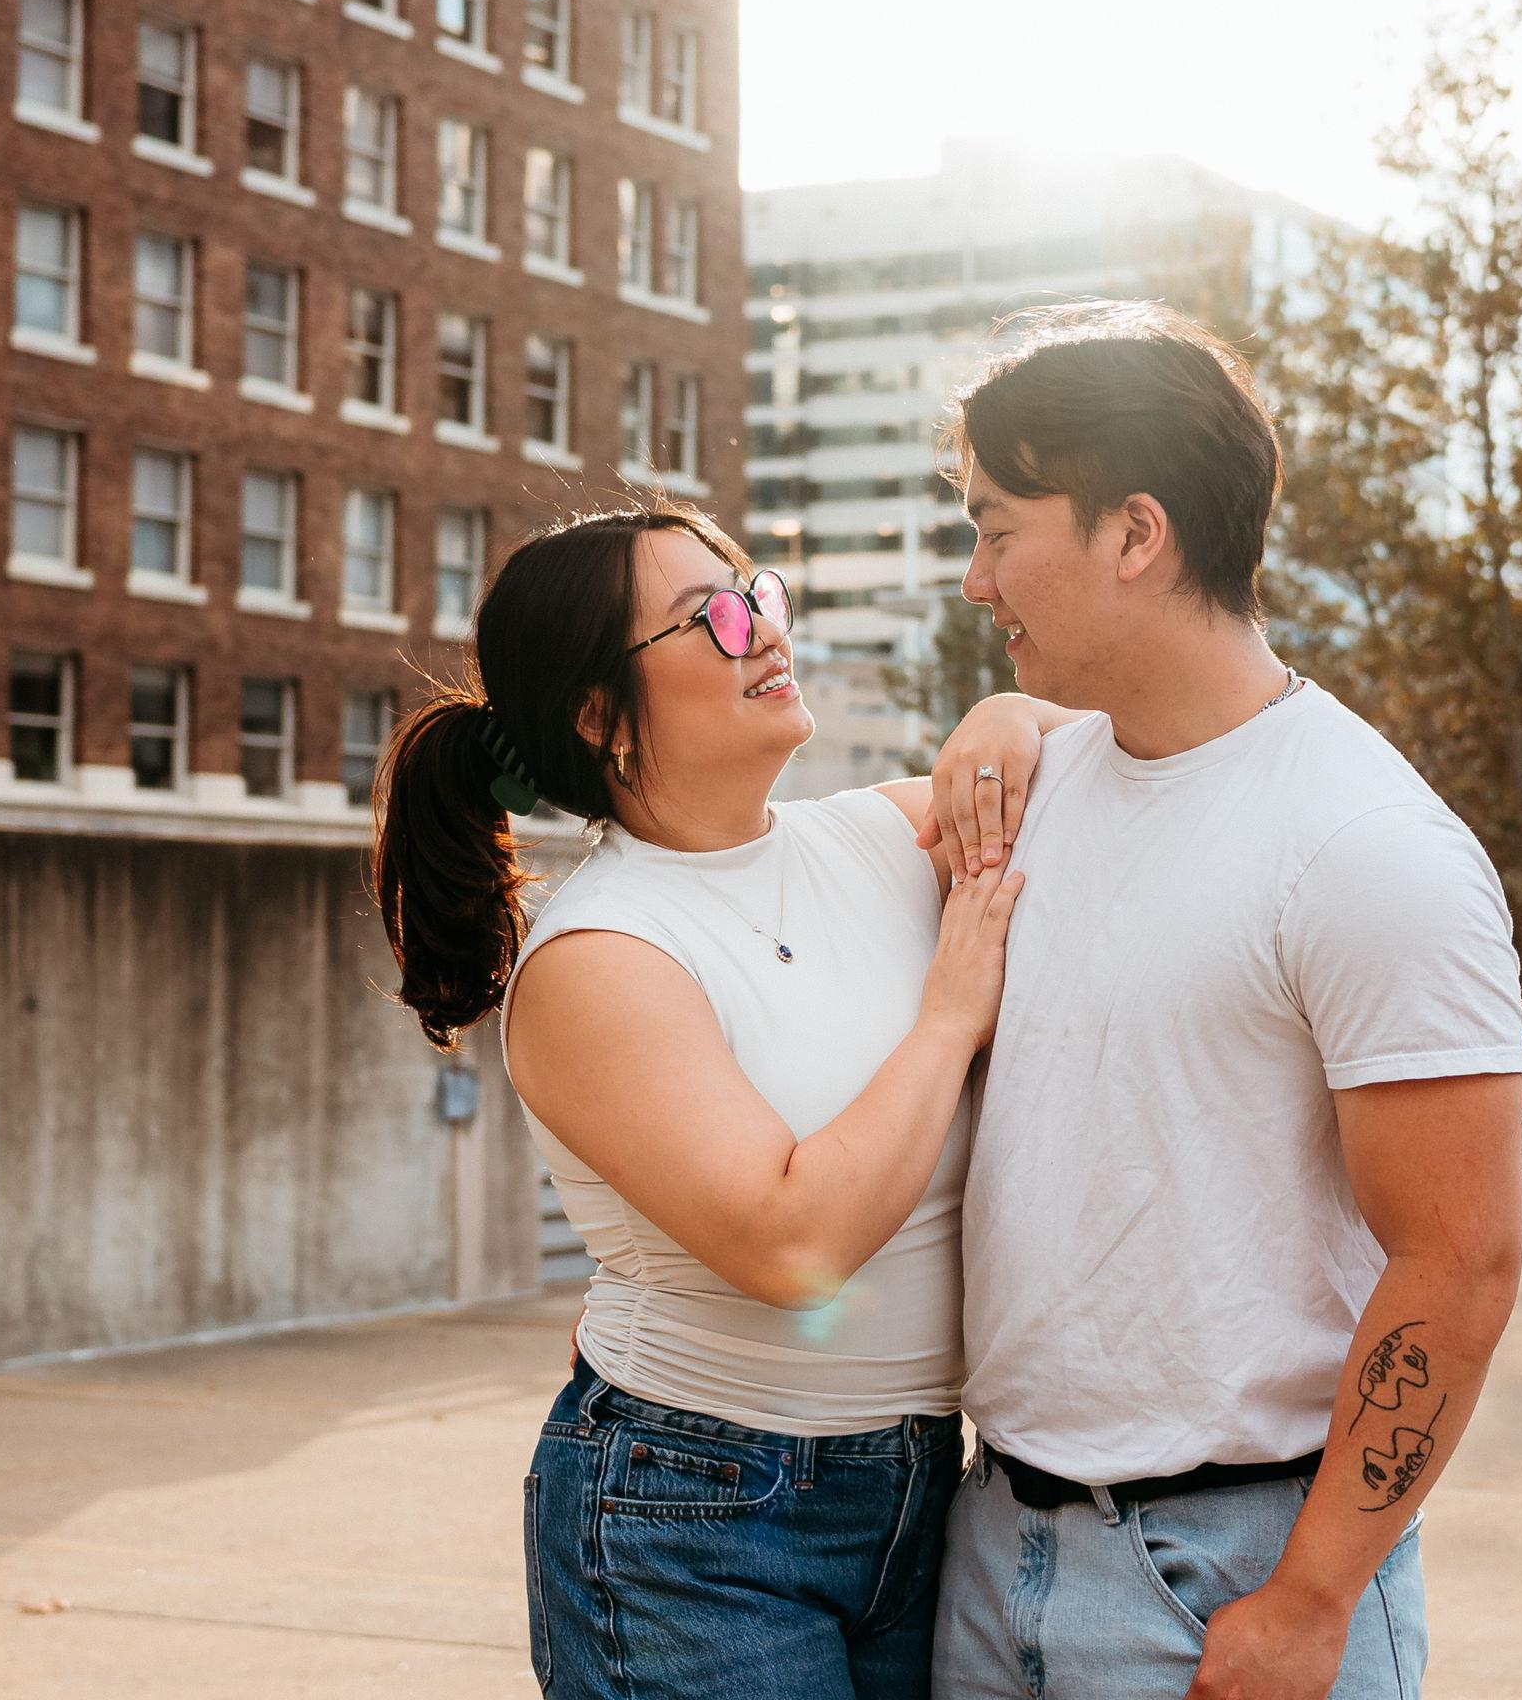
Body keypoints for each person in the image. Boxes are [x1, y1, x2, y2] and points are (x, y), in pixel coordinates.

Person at [369, 504, 1074, 1700]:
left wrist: (1005, 715)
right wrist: (949, 1014)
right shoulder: (599, 954)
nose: (765, 631)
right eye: (714, 618)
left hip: (922, 1486)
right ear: (600, 715)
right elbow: (793, 1244)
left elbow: (1090, 762)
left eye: (761, 594)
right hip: (690, 1512)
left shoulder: (875, 836)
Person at [929, 304, 1522, 1700]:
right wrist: (1004, 719)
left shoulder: (1365, 845)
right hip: (991, 1550)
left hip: (1227, 1580)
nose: (974, 579)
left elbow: (1460, 1261)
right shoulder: (1041, 783)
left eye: (997, 528)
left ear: (1135, 534)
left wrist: (1311, 1600)